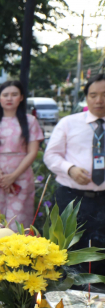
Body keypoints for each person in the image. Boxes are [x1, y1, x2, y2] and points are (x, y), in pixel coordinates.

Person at [44, 73, 105, 280]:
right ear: (86, 97)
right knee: (67, 253)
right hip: (72, 198)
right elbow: (51, 155)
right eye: (93, 95)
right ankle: (63, 302)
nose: (99, 100)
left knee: (101, 256)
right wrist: (70, 169)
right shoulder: (69, 123)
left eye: (104, 95)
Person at [0, 81, 44, 228]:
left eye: (14, 95)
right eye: (5, 95)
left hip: (21, 175)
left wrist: (13, 176)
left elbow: (33, 151)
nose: (9, 98)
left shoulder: (30, 121)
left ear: (21, 97)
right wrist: (2, 177)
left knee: (18, 221)